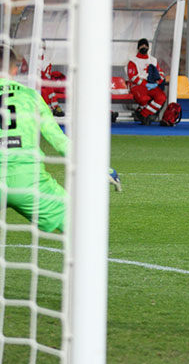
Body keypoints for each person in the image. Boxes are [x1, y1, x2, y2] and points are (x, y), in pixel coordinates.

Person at [0, 46, 121, 231]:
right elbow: (59, 140)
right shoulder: (30, 96)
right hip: (28, 181)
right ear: (15, 70)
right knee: (82, 229)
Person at [127, 38, 166, 125]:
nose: (144, 47)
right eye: (142, 46)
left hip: (152, 84)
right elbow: (132, 77)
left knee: (161, 97)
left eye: (145, 46)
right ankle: (144, 114)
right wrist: (145, 84)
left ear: (148, 47)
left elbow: (161, 73)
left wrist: (157, 82)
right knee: (144, 99)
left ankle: (143, 114)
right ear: (138, 48)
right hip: (138, 85)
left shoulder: (153, 60)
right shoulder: (133, 61)